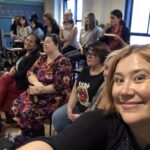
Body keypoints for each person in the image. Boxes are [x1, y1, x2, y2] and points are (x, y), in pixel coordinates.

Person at [17, 44, 150, 150]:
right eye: (119, 80)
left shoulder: (65, 63)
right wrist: (70, 107)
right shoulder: (107, 121)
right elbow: (57, 144)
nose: (125, 91)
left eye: (139, 78)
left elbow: (60, 86)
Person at [12, 34, 72, 138]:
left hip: (54, 96)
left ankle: (34, 136)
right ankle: (28, 134)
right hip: (37, 91)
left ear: (56, 45)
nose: (44, 44)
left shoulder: (63, 62)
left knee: (29, 111)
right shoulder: (42, 58)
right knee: (17, 103)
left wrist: (41, 90)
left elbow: (59, 86)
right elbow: (30, 73)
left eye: (48, 42)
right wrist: (37, 84)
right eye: (44, 41)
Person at [52, 41, 110, 133]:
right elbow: (75, 91)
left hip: (92, 112)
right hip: (78, 107)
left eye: (93, 54)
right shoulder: (85, 69)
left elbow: (99, 104)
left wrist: (82, 116)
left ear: (102, 56)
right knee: (57, 118)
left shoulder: (105, 76)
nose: (89, 56)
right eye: (88, 53)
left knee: (72, 130)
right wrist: (69, 108)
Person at [0, 33, 40, 118]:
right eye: (27, 40)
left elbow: (24, 73)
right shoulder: (24, 52)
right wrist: (12, 68)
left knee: (4, 78)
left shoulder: (35, 57)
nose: (27, 42)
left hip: (23, 81)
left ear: (36, 45)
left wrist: (11, 73)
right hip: (16, 77)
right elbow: (15, 64)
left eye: (31, 41)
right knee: (3, 77)